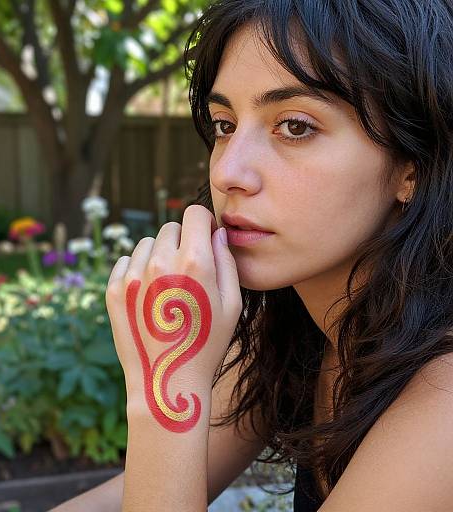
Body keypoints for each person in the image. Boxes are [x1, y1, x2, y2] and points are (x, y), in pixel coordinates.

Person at [51, 0, 453, 510]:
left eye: (296, 126)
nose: (227, 173)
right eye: (224, 124)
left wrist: (164, 387)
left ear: (411, 169)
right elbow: (119, 500)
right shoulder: (292, 328)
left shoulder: (444, 398)